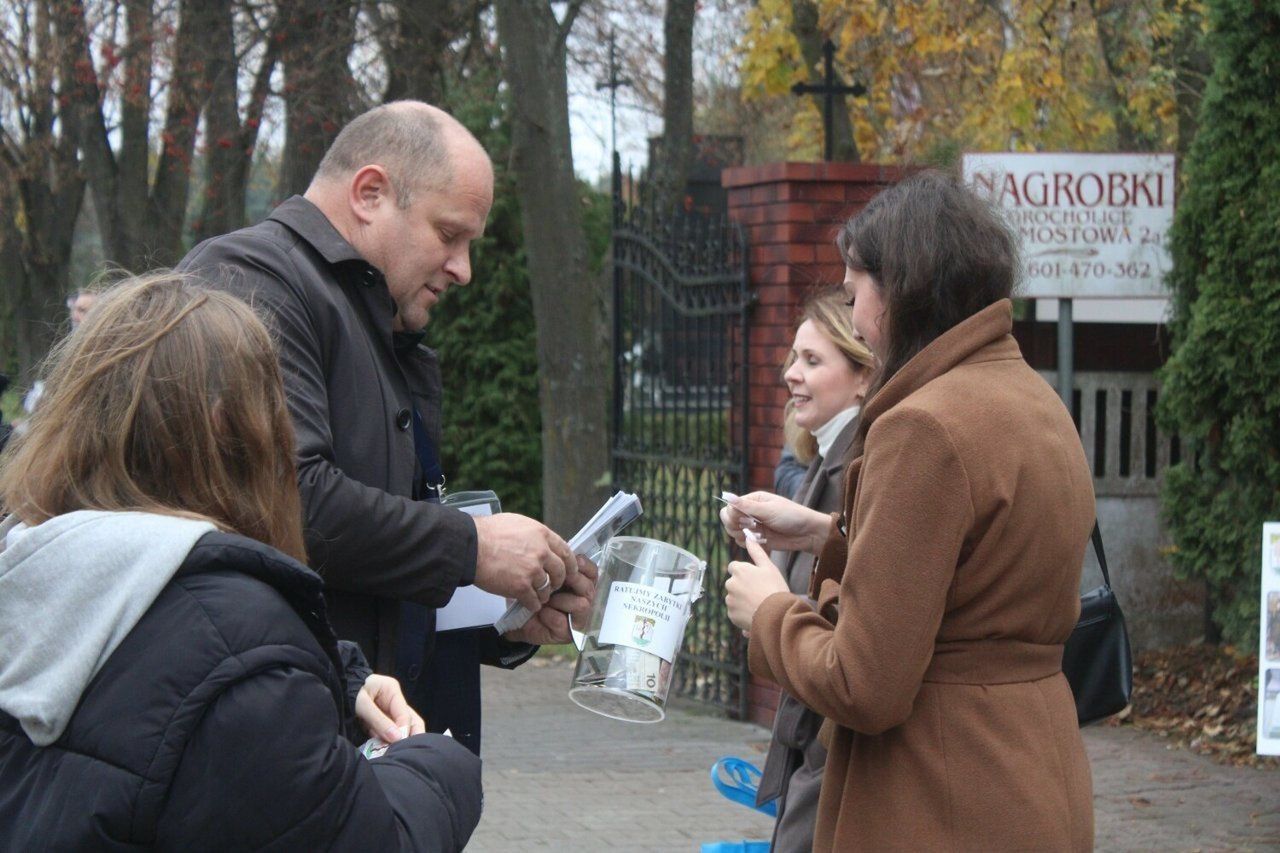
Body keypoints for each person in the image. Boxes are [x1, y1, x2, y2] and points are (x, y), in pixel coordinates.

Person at [0, 274, 482, 850]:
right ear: (234, 427)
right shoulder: (242, 641)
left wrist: (336, 674)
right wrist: (439, 767)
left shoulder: (29, 566)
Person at [179, 101, 595, 756]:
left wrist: (502, 619)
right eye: (450, 234)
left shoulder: (372, 317)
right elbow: (287, 500)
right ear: (370, 193)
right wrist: (470, 547)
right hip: (284, 741)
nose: (463, 269)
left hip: (350, 739)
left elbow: (370, 565)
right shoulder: (253, 283)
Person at [721, 171, 1095, 851]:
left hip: (938, 795)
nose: (857, 317)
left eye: (856, 291)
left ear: (900, 291)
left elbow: (865, 682)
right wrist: (823, 531)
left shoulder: (924, 425)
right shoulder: (1033, 399)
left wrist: (770, 613)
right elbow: (976, 575)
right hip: (1033, 774)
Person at [756, 288, 874, 852]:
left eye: (812, 360)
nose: (790, 375)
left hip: (829, 741)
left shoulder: (860, 466)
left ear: (862, 377)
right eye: (792, 359)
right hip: (811, 736)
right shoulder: (822, 457)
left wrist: (765, 605)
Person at [20, 289, 99, 418]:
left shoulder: (99, 352)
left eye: (82, 311)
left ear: (99, 316)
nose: (74, 316)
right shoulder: (71, 348)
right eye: (74, 309)